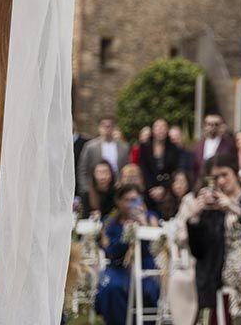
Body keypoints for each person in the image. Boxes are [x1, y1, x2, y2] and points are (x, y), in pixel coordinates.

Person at [179, 152, 241, 323]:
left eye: (225, 175)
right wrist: (195, 217)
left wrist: (232, 207)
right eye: (216, 177)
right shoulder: (211, 207)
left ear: (235, 172)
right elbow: (198, 251)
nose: (221, 181)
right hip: (225, 263)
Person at [95, 184, 160, 325]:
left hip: (145, 264)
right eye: (127, 200)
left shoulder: (151, 218)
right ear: (119, 202)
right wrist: (125, 236)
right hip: (119, 266)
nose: (132, 203)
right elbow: (110, 251)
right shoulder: (111, 222)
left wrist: (143, 223)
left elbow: (156, 247)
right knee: (112, 287)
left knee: (148, 289)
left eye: (135, 199)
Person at [139, 118, 184, 214]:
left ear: (167, 130)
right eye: (157, 126)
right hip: (149, 191)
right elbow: (144, 170)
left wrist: (163, 188)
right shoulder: (144, 147)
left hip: (167, 190)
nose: (160, 129)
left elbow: (175, 171)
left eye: (163, 127)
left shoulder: (174, 148)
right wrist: (152, 189)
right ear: (152, 129)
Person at [77, 116, 129, 195]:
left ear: (114, 128)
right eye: (104, 126)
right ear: (99, 128)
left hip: (117, 187)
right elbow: (82, 169)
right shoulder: (90, 146)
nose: (107, 128)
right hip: (95, 189)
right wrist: (85, 189)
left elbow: (126, 168)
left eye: (109, 126)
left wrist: (123, 183)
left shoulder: (124, 147)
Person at [189, 113, 235, 187]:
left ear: (221, 126)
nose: (213, 127)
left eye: (216, 124)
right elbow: (194, 169)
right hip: (201, 184)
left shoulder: (229, 145)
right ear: (204, 126)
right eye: (209, 124)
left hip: (222, 184)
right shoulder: (197, 146)